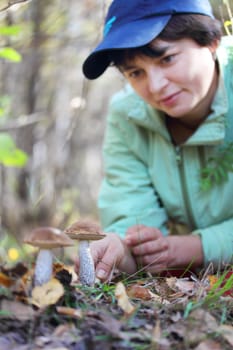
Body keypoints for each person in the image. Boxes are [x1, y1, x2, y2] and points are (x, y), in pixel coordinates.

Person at [78, 0, 233, 281]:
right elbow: (130, 212)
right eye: (136, 73)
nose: (156, 86)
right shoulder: (127, 115)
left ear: (212, 41)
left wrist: (196, 247)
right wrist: (122, 247)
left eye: (167, 58)